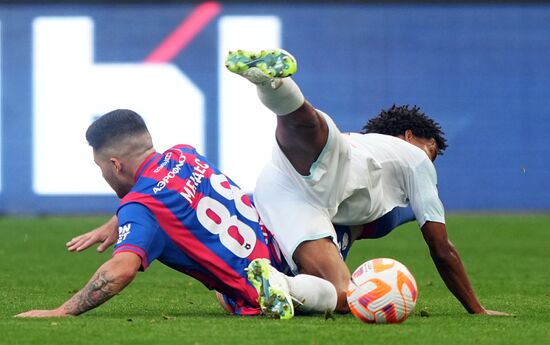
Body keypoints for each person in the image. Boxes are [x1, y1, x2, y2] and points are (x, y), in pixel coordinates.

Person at [224, 48, 509, 316]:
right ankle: (272, 81)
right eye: (431, 149)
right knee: (314, 131)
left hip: (283, 192)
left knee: (342, 292)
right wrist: (477, 309)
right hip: (338, 166)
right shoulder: (414, 159)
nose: (431, 160)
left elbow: (380, 221)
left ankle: (277, 286)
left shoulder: (385, 197)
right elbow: (441, 249)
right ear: (408, 136)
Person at [16, 109, 337, 319]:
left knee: (232, 293)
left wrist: (62, 312)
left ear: (115, 165)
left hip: (267, 290)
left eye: (100, 166)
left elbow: (120, 270)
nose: (102, 173)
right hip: (288, 243)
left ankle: (285, 288)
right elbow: (165, 197)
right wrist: (119, 221)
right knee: (221, 290)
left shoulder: (141, 208)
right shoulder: (183, 153)